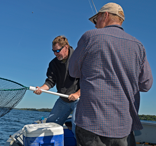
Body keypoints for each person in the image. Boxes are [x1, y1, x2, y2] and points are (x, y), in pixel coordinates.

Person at [69, 2, 153, 146]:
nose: (95, 25)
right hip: (124, 127)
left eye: (96, 21)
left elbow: (73, 71)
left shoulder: (89, 36)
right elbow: (146, 85)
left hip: (91, 124)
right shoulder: (139, 46)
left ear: (105, 15)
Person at [34, 35, 80, 131]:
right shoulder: (53, 64)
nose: (55, 53)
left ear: (66, 47)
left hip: (80, 100)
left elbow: (88, 80)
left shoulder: (79, 59)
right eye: (53, 51)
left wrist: (77, 94)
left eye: (58, 50)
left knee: (78, 127)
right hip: (63, 100)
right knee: (50, 125)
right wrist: (41, 89)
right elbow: (50, 82)